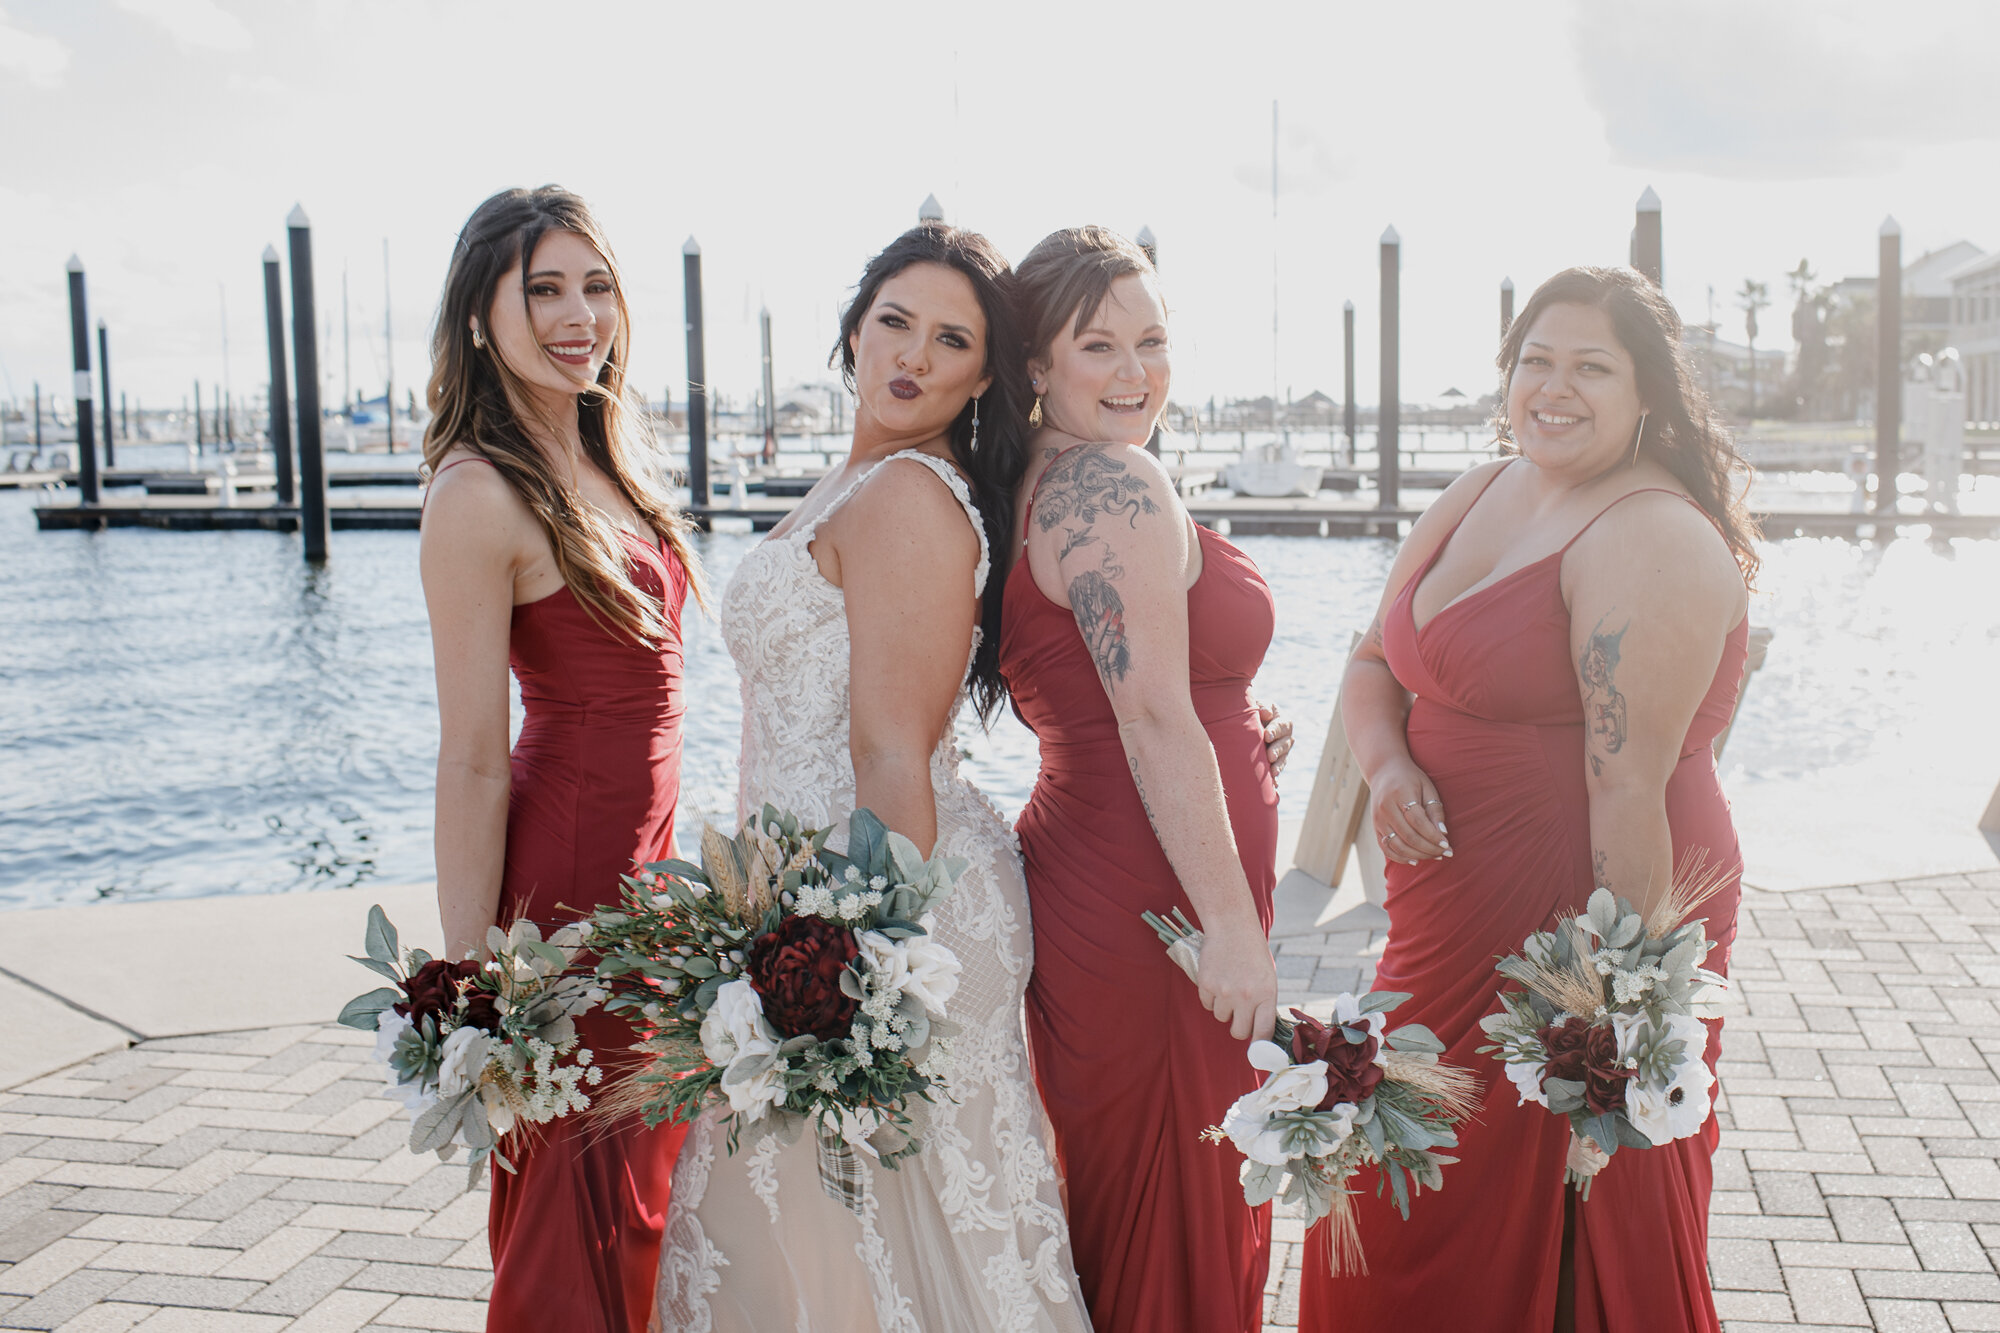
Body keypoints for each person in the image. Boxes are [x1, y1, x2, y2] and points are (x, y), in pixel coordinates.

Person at [1300, 266, 1756, 1332]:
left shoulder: (1648, 532)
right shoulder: (1480, 488)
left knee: (1567, 1193)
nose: (1552, 388)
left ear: (1646, 390)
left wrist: (1619, 1023)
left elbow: (1627, 785)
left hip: (1576, 926)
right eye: (1533, 362)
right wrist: (1386, 768)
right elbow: (1371, 661)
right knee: (1395, 1178)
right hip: (1441, 920)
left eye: (1589, 366)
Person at [655, 223, 1092, 1333]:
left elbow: (890, 749)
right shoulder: (850, 481)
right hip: (807, 899)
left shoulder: (906, 495)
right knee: (817, 1239)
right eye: (893, 320)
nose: (912, 355)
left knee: (883, 1231)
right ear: (853, 327)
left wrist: (874, 972)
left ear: (984, 374)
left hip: (883, 899)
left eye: (951, 340)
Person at [419, 186, 703, 1333]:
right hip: (566, 887)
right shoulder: (475, 492)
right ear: (481, 316)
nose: (579, 314)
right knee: (572, 1193)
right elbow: (474, 760)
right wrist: (472, 984)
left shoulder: (604, 458)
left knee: (643, 1194)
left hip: (650, 874)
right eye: (543, 289)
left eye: (595, 286)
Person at [997, 225, 1281, 1333]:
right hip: (1155, 898)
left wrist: (1241, 722)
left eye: (1151, 341)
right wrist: (1231, 926)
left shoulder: (1039, 480)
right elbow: (1153, 717)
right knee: (1176, 1200)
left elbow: (1128, 693)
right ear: (1036, 367)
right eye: (1097, 346)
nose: (1133, 372)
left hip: (1109, 865)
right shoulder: (1108, 486)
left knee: (1139, 1201)